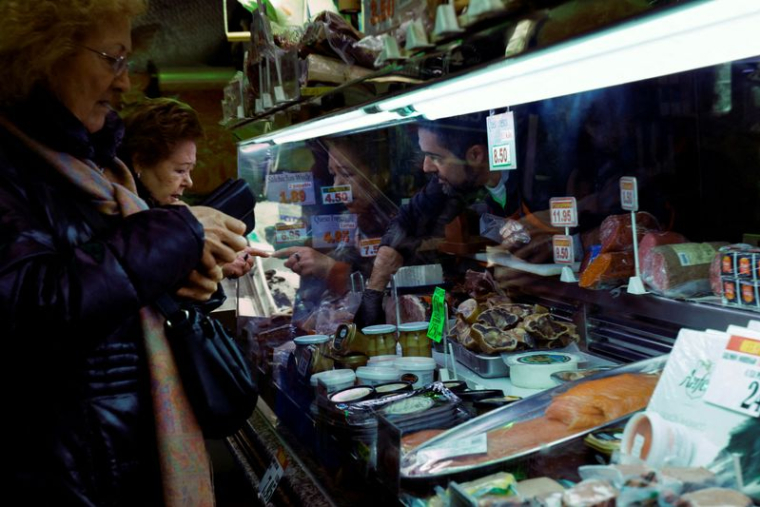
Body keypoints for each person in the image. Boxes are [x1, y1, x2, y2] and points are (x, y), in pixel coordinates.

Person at [0, 2, 248, 505]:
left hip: (116, 459)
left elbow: (109, 299)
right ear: (41, 55)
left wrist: (183, 283)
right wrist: (179, 231)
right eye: (112, 58)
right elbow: (32, 306)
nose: (125, 83)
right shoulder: (12, 167)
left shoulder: (93, 171)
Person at [119, 97, 267, 278]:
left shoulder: (151, 209)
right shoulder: (118, 219)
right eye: (180, 170)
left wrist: (213, 260)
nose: (189, 182)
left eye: (190, 170)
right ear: (139, 161)